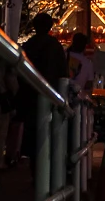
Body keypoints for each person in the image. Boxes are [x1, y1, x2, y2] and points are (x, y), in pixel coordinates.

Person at [16, 14, 68, 166]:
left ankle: (35, 168)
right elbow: (63, 73)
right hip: (50, 95)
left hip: (29, 94)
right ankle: (46, 172)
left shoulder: (28, 45)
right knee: (48, 135)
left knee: (32, 135)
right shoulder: (55, 46)